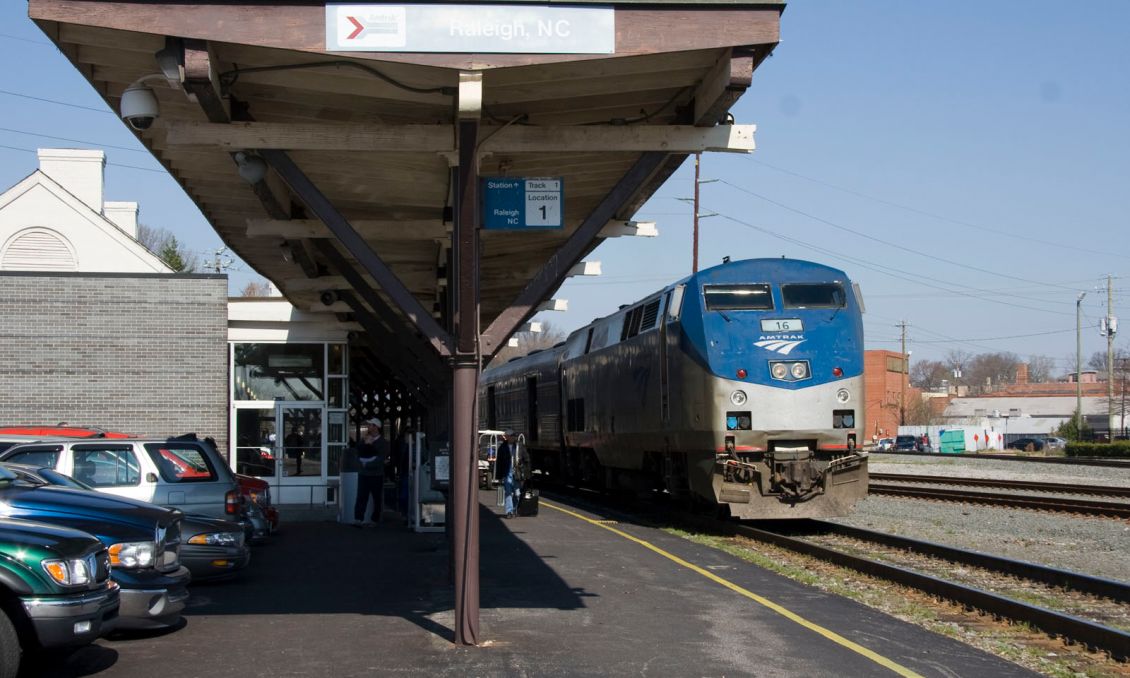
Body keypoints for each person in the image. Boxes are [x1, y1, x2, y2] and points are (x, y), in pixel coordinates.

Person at [354, 418, 389, 527]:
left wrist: (365, 464)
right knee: (361, 496)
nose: (368, 427)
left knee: (376, 497)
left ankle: (375, 519)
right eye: (368, 425)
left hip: (376, 474)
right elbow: (357, 452)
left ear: (376, 427)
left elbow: (381, 458)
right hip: (365, 473)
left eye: (370, 425)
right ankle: (358, 518)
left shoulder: (383, 443)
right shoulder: (364, 439)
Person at [495, 430, 515, 518]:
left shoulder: (519, 446)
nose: (511, 437)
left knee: (517, 493)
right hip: (507, 472)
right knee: (508, 492)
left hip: (517, 473)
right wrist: (499, 476)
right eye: (509, 436)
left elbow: (526, 459)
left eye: (512, 436)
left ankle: (514, 509)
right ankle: (509, 511)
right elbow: (499, 463)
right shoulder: (502, 448)